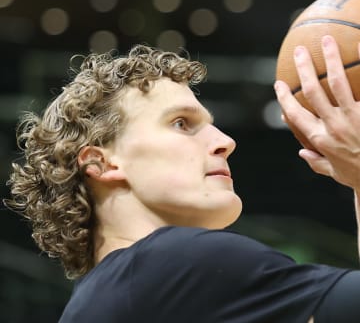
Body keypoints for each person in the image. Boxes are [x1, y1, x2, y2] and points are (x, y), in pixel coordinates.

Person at [5, 35, 360, 323]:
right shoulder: (177, 263)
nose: (225, 141)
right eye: (181, 123)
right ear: (102, 163)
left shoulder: (96, 301)